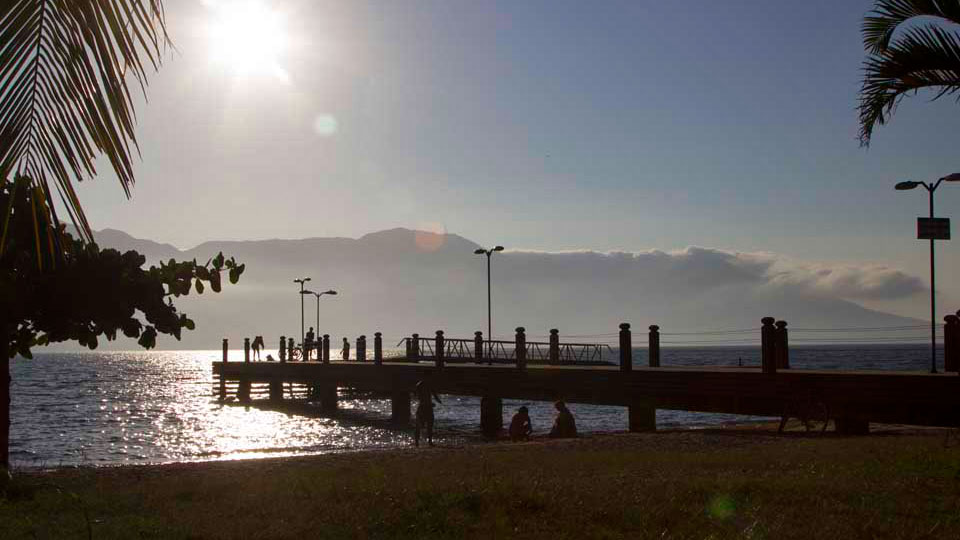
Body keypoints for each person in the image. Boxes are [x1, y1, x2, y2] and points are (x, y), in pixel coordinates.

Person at [414, 379, 442, 447]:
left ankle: (417, 443)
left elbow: (418, 397)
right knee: (429, 425)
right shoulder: (429, 385)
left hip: (422, 407)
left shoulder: (419, 385)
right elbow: (435, 396)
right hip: (427, 408)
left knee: (418, 426)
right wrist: (437, 402)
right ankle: (429, 442)